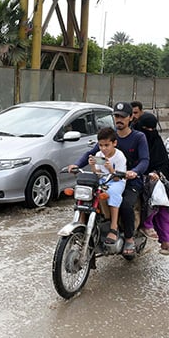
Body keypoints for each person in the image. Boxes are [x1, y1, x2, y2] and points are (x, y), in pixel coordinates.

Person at [70, 101, 150, 257]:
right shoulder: (109, 136)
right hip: (107, 179)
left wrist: (134, 172)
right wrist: (76, 164)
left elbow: (145, 160)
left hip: (130, 180)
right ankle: (84, 228)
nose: (118, 119)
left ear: (130, 118)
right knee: (85, 197)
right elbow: (91, 154)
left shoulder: (139, 137)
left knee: (126, 205)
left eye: (122, 116)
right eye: (116, 116)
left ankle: (128, 238)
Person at [137, 112, 169, 257]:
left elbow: (164, 163)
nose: (149, 132)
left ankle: (166, 243)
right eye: (146, 128)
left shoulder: (156, 141)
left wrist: (156, 173)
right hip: (131, 176)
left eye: (152, 129)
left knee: (163, 203)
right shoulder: (133, 137)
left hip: (152, 179)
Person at [88, 127, 127, 245]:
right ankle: (82, 222)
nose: (103, 149)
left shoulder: (119, 156)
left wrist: (111, 169)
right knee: (87, 190)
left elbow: (117, 177)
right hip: (103, 179)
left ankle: (113, 227)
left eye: (106, 145)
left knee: (113, 193)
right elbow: (97, 173)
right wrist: (93, 166)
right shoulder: (98, 154)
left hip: (116, 181)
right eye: (101, 145)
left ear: (114, 143)